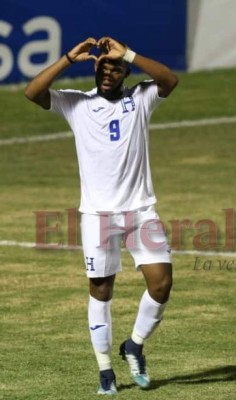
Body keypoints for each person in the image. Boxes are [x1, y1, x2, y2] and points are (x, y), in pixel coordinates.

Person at [25, 36, 178, 394]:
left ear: (125, 71)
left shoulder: (140, 99)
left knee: (161, 284)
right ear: (95, 69)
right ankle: (105, 368)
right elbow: (32, 93)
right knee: (101, 290)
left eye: (116, 67)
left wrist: (130, 53)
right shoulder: (75, 104)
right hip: (97, 216)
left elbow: (170, 80)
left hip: (141, 210)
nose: (108, 72)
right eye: (103, 66)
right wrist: (67, 58)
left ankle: (135, 344)